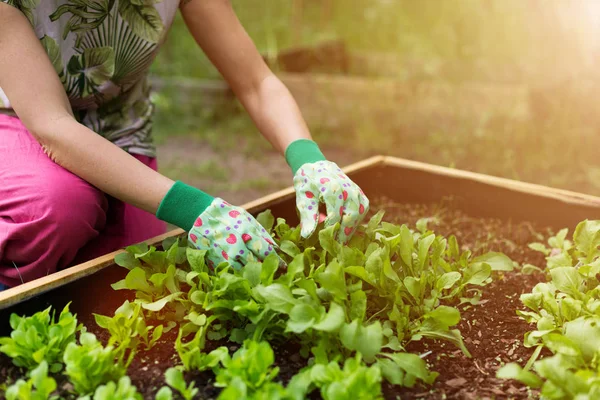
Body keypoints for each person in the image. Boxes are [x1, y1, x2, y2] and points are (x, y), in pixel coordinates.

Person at [0, 0, 369, 291]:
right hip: (17, 118)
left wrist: (309, 160)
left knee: (134, 272)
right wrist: (194, 207)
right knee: (60, 206)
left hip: (118, 125)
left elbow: (256, 82)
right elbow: (53, 125)